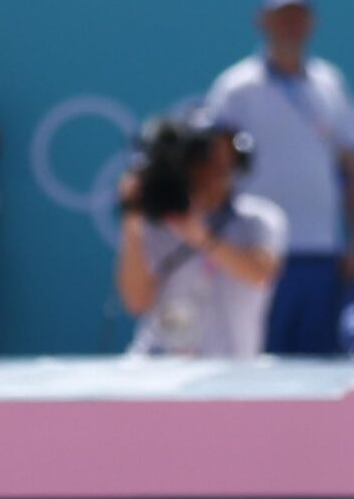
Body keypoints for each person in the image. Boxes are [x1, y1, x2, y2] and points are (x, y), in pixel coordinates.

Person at [202, 0, 354, 355]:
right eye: (281, 15)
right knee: (258, 360)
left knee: (318, 368)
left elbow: (350, 168)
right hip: (257, 251)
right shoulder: (235, 88)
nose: (290, 25)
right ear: (261, 20)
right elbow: (210, 170)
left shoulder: (330, 83)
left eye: (297, 15)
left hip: (320, 251)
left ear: (312, 22)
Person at [117, 115, 289, 358]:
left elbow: (260, 273)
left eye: (223, 162)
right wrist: (132, 216)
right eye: (203, 159)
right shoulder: (155, 224)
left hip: (231, 375)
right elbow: (136, 302)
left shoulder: (259, 219)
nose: (214, 171)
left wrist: (201, 236)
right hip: (157, 369)